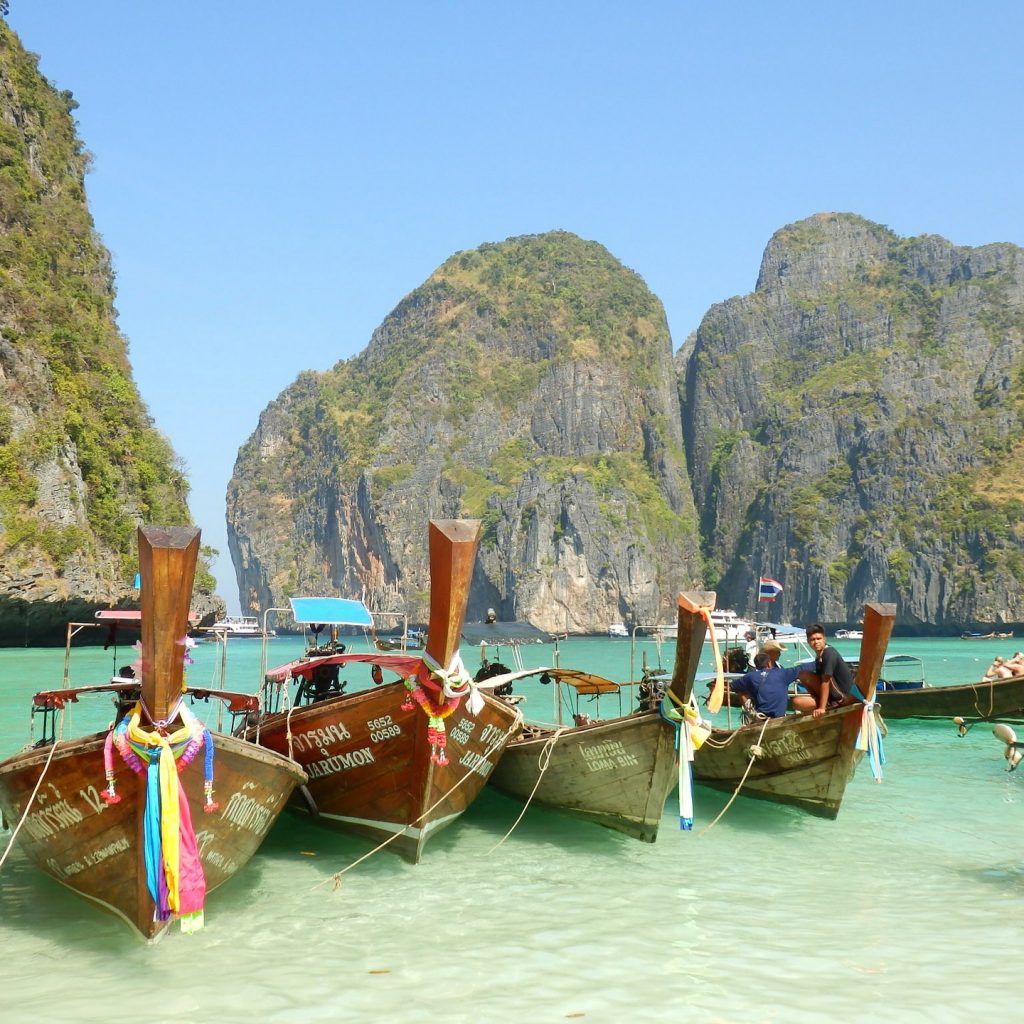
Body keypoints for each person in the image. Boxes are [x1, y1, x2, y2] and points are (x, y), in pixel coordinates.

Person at [729, 639, 805, 719]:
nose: (779, 653)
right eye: (777, 651)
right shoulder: (758, 669)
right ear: (770, 653)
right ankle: (752, 714)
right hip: (760, 710)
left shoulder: (779, 667)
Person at [791, 623, 855, 717]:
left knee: (797, 702)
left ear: (824, 639)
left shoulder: (829, 653)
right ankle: (820, 700)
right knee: (802, 674)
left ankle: (827, 705)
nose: (816, 642)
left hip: (842, 698)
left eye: (819, 639)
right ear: (808, 641)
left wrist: (822, 708)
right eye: (813, 639)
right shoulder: (819, 656)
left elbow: (825, 681)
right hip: (831, 695)